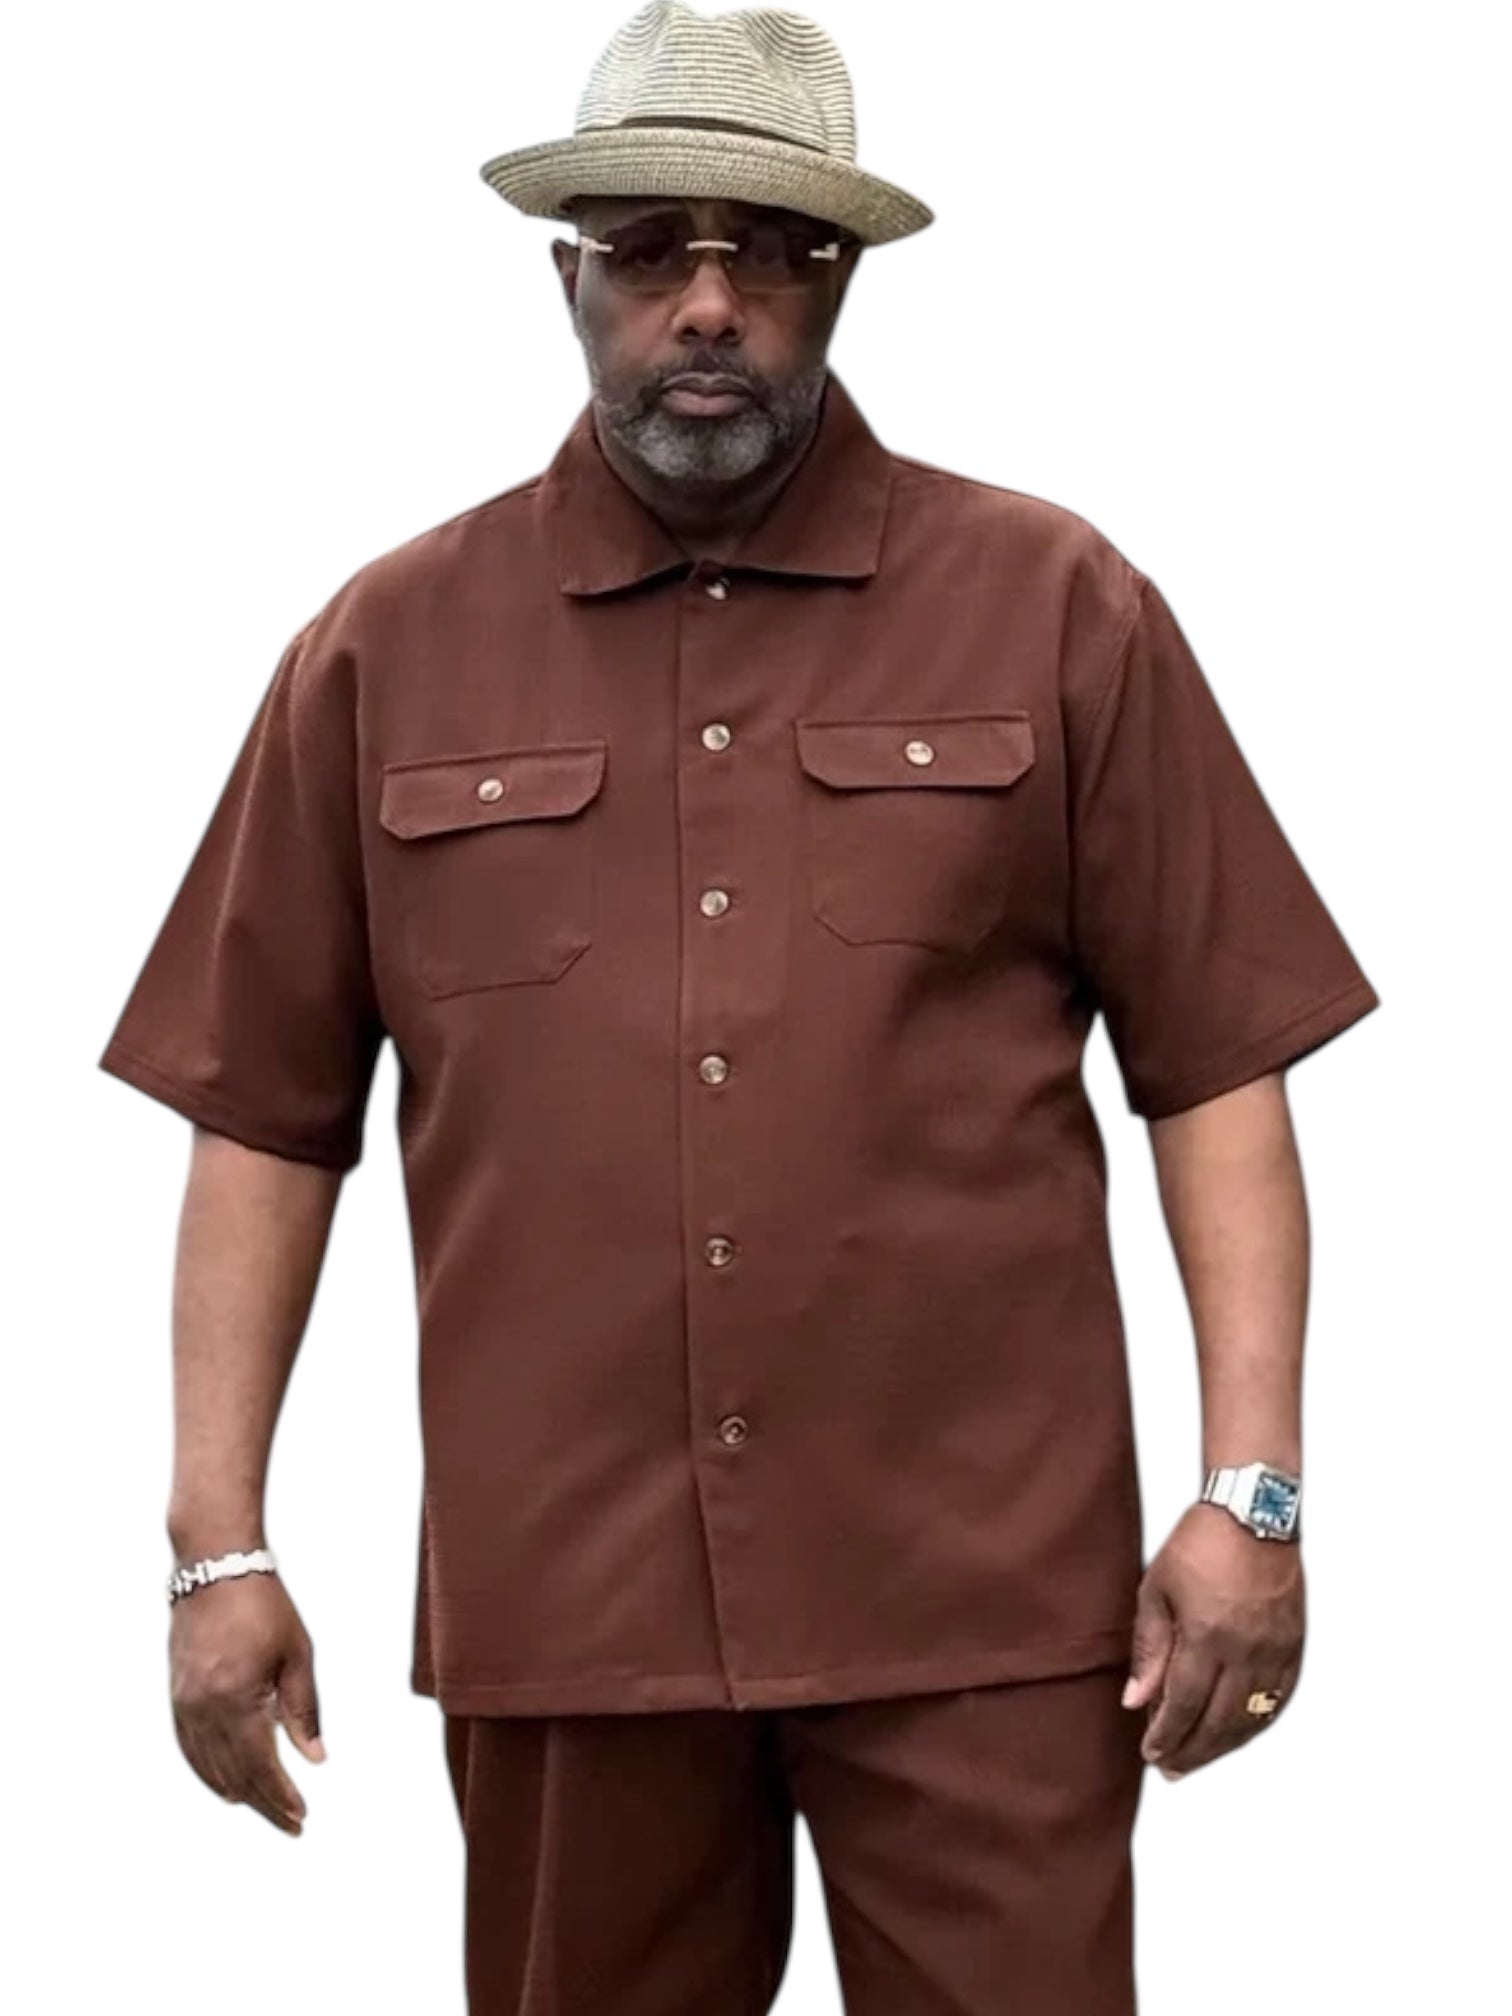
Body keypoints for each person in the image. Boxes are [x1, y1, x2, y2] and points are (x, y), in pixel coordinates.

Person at [98, 3, 1381, 2010]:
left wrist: (1256, 1496)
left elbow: (1218, 1067)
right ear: (568, 280)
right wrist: (215, 1546)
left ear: (839, 279)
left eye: (769, 252)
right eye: (649, 249)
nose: (708, 303)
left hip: (984, 1604)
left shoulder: (1057, 607)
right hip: (569, 1605)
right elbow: (260, 1111)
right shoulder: (385, 650)